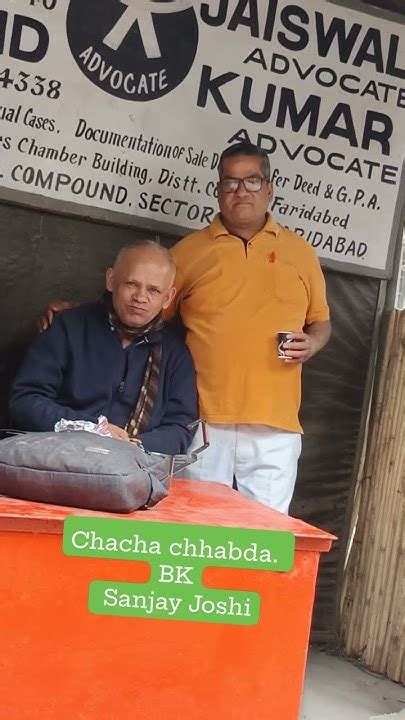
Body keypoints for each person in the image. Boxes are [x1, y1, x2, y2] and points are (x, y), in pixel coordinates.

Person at [38, 142, 331, 512]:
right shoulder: (190, 252)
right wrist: (78, 313)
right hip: (204, 420)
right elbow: (142, 306)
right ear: (218, 190)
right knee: (196, 523)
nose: (241, 191)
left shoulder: (300, 253)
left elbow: (321, 322)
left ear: (269, 189)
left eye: (252, 181)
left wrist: (313, 343)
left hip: (276, 422)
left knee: (267, 531)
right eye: (230, 182)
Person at [10, 241, 198, 455]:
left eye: (153, 290)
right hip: (56, 456)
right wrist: (92, 429)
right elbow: (25, 401)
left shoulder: (174, 354)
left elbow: (181, 427)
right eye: (131, 284)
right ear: (111, 280)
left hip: (132, 464)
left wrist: (134, 446)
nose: (140, 297)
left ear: (168, 298)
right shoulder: (69, 327)